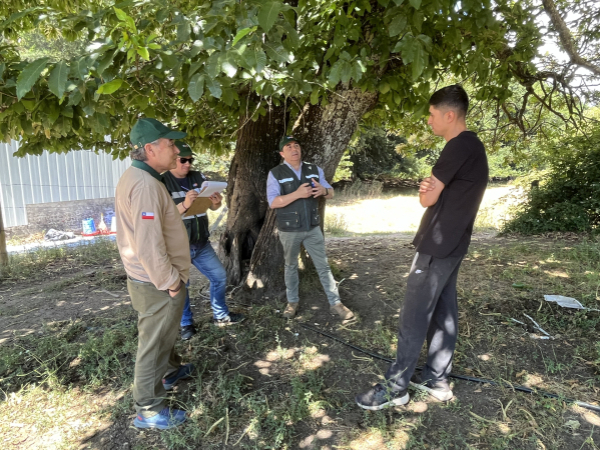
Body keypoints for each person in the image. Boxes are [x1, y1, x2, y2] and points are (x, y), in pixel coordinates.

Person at [355, 85, 489, 410]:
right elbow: (435, 194)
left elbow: (426, 198)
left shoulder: (458, 146)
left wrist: (427, 189)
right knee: (443, 312)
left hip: (437, 244)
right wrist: (431, 189)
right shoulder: (474, 147)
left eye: (431, 114)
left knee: (414, 315)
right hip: (453, 243)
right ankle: (436, 380)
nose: (429, 120)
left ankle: (396, 387)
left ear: (449, 115)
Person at [115, 118, 194, 429]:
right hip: (156, 281)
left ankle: (171, 370)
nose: (176, 151)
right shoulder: (146, 185)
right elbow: (148, 244)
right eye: (170, 144)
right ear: (150, 149)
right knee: (153, 345)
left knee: (165, 333)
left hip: (149, 278)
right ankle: (147, 409)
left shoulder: (139, 177)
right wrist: (171, 282)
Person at [267, 136, 354, 320]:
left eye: (296, 145)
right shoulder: (275, 173)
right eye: (288, 147)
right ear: (282, 153)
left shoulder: (314, 170)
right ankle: (292, 302)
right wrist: (297, 194)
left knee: (323, 266)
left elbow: (331, 193)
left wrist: (324, 191)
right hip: (289, 229)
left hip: (312, 228)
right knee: (290, 266)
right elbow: (273, 202)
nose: (294, 149)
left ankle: (336, 303)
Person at [163, 141, 244, 339]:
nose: (188, 164)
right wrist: (185, 204)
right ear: (173, 159)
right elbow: (163, 216)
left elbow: (211, 207)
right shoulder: (162, 182)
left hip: (201, 243)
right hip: (177, 246)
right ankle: (186, 324)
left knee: (219, 276)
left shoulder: (199, 177)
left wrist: (216, 203)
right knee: (181, 286)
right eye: (183, 160)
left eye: (190, 160)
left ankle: (221, 315)